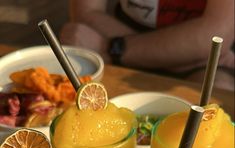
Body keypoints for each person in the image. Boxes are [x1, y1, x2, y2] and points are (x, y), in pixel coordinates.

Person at [60, 0, 234, 91]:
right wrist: (172, 56)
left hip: (114, 45)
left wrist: (109, 47)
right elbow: (86, 13)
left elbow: (216, 32)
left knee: (215, 103)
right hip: (117, 37)